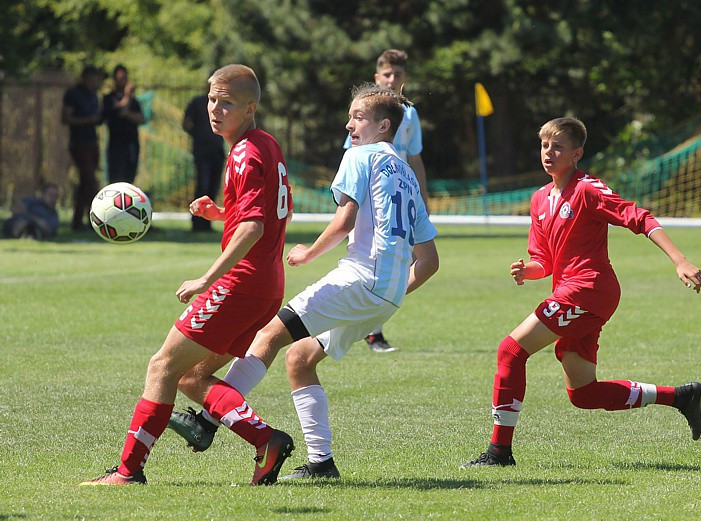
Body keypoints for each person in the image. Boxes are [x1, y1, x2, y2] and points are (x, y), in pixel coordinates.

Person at [168, 83, 439, 480]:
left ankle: (206, 423)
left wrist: (308, 253)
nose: (349, 125)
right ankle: (321, 463)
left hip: (360, 278)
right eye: (349, 116)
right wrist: (391, 291)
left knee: (267, 336)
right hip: (386, 294)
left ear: (383, 125)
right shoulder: (409, 176)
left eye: (358, 118)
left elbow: (345, 219)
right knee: (300, 358)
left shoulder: (360, 155)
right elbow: (429, 262)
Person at [81, 64, 295, 486]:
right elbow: (265, 212)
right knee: (191, 376)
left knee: (162, 365)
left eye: (226, 103)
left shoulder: (244, 153)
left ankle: (128, 472)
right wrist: (223, 214)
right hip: (265, 285)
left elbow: (253, 228)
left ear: (250, 108)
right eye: (212, 99)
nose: (214, 109)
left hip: (241, 284)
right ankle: (265, 441)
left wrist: (205, 279)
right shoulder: (265, 143)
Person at [461, 117, 701, 468]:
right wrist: (526, 272)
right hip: (573, 291)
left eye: (558, 146)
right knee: (584, 393)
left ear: (577, 154)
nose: (548, 153)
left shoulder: (588, 189)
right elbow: (543, 260)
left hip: (589, 289)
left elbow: (638, 217)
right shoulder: (539, 199)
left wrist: (680, 260)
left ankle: (499, 452)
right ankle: (681, 397)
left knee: (511, 351)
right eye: (545, 145)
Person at [343, 49, 429, 353]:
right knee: (370, 260)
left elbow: (414, 156)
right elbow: (352, 152)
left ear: (404, 79)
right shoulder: (367, 113)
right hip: (372, 199)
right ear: (378, 77)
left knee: (410, 262)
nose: (392, 80)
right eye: (387, 75)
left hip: (399, 198)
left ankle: (370, 320)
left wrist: (422, 198)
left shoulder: (409, 115)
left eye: (398, 75)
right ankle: (370, 330)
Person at [62, 65, 102, 231]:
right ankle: (96, 219)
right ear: (84, 78)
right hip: (79, 143)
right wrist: (88, 120)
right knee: (90, 182)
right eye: (92, 80)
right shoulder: (73, 94)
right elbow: (65, 118)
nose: (95, 83)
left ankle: (79, 221)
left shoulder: (93, 95)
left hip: (92, 142)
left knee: (86, 183)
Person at [184, 93, 227, 232]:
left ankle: (207, 223)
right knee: (203, 185)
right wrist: (198, 135)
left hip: (217, 151)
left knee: (213, 187)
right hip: (202, 151)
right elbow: (186, 123)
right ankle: (197, 222)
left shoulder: (224, 104)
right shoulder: (198, 102)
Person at [102, 64, 145, 184]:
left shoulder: (134, 101)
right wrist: (127, 96)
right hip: (116, 145)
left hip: (131, 144)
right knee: (116, 177)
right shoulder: (109, 99)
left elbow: (141, 118)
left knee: (129, 177)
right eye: (120, 79)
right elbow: (121, 112)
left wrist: (129, 114)